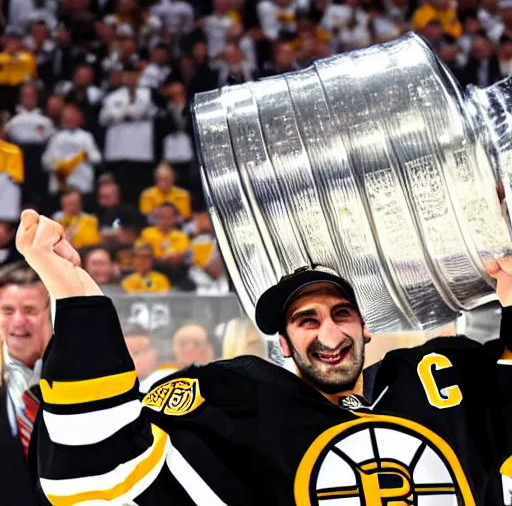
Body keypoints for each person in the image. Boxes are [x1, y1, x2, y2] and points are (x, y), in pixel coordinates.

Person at [15, 211, 512, 505]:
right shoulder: (241, 406)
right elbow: (97, 470)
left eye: (342, 314)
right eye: (307, 321)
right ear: (285, 343)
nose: (330, 332)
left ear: (365, 326)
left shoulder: (435, 383)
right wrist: (78, 300)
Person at [0, 263, 52, 505]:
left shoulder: (80, 375)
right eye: (8, 311)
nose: (18, 322)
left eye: (29, 310)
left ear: (50, 314)